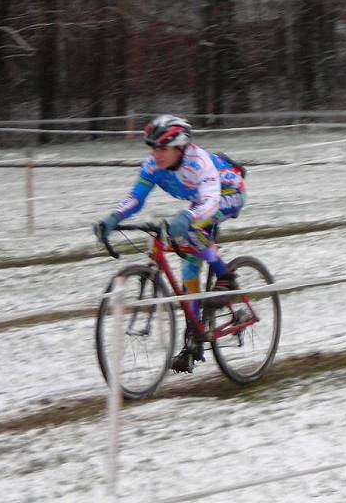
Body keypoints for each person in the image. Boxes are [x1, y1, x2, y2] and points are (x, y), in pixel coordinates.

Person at [94, 114, 246, 372]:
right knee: (189, 268)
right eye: (153, 147)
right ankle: (193, 338)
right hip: (202, 200)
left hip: (228, 194)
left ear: (180, 146)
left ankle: (226, 277)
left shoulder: (199, 162)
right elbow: (136, 197)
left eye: (163, 148)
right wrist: (114, 217)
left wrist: (188, 216)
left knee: (190, 231)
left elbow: (210, 202)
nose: (157, 154)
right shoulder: (153, 166)